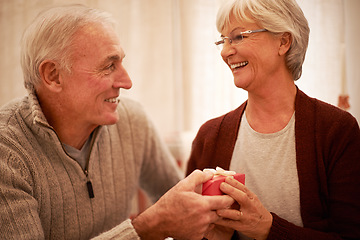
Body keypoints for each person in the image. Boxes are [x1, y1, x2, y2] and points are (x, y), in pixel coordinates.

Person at [0, 4, 234, 240]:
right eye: (109, 66)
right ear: (53, 75)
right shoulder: (7, 152)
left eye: (121, 63)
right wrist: (147, 228)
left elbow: (177, 201)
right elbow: (159, 221)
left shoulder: (131, 121)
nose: (127, 81)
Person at [186, 0, 360, 239]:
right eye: (223, 40)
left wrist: (266, 227)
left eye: (238, 37)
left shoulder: (337, 130)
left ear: (283, 42)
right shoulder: (210, 136)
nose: (225, 51)